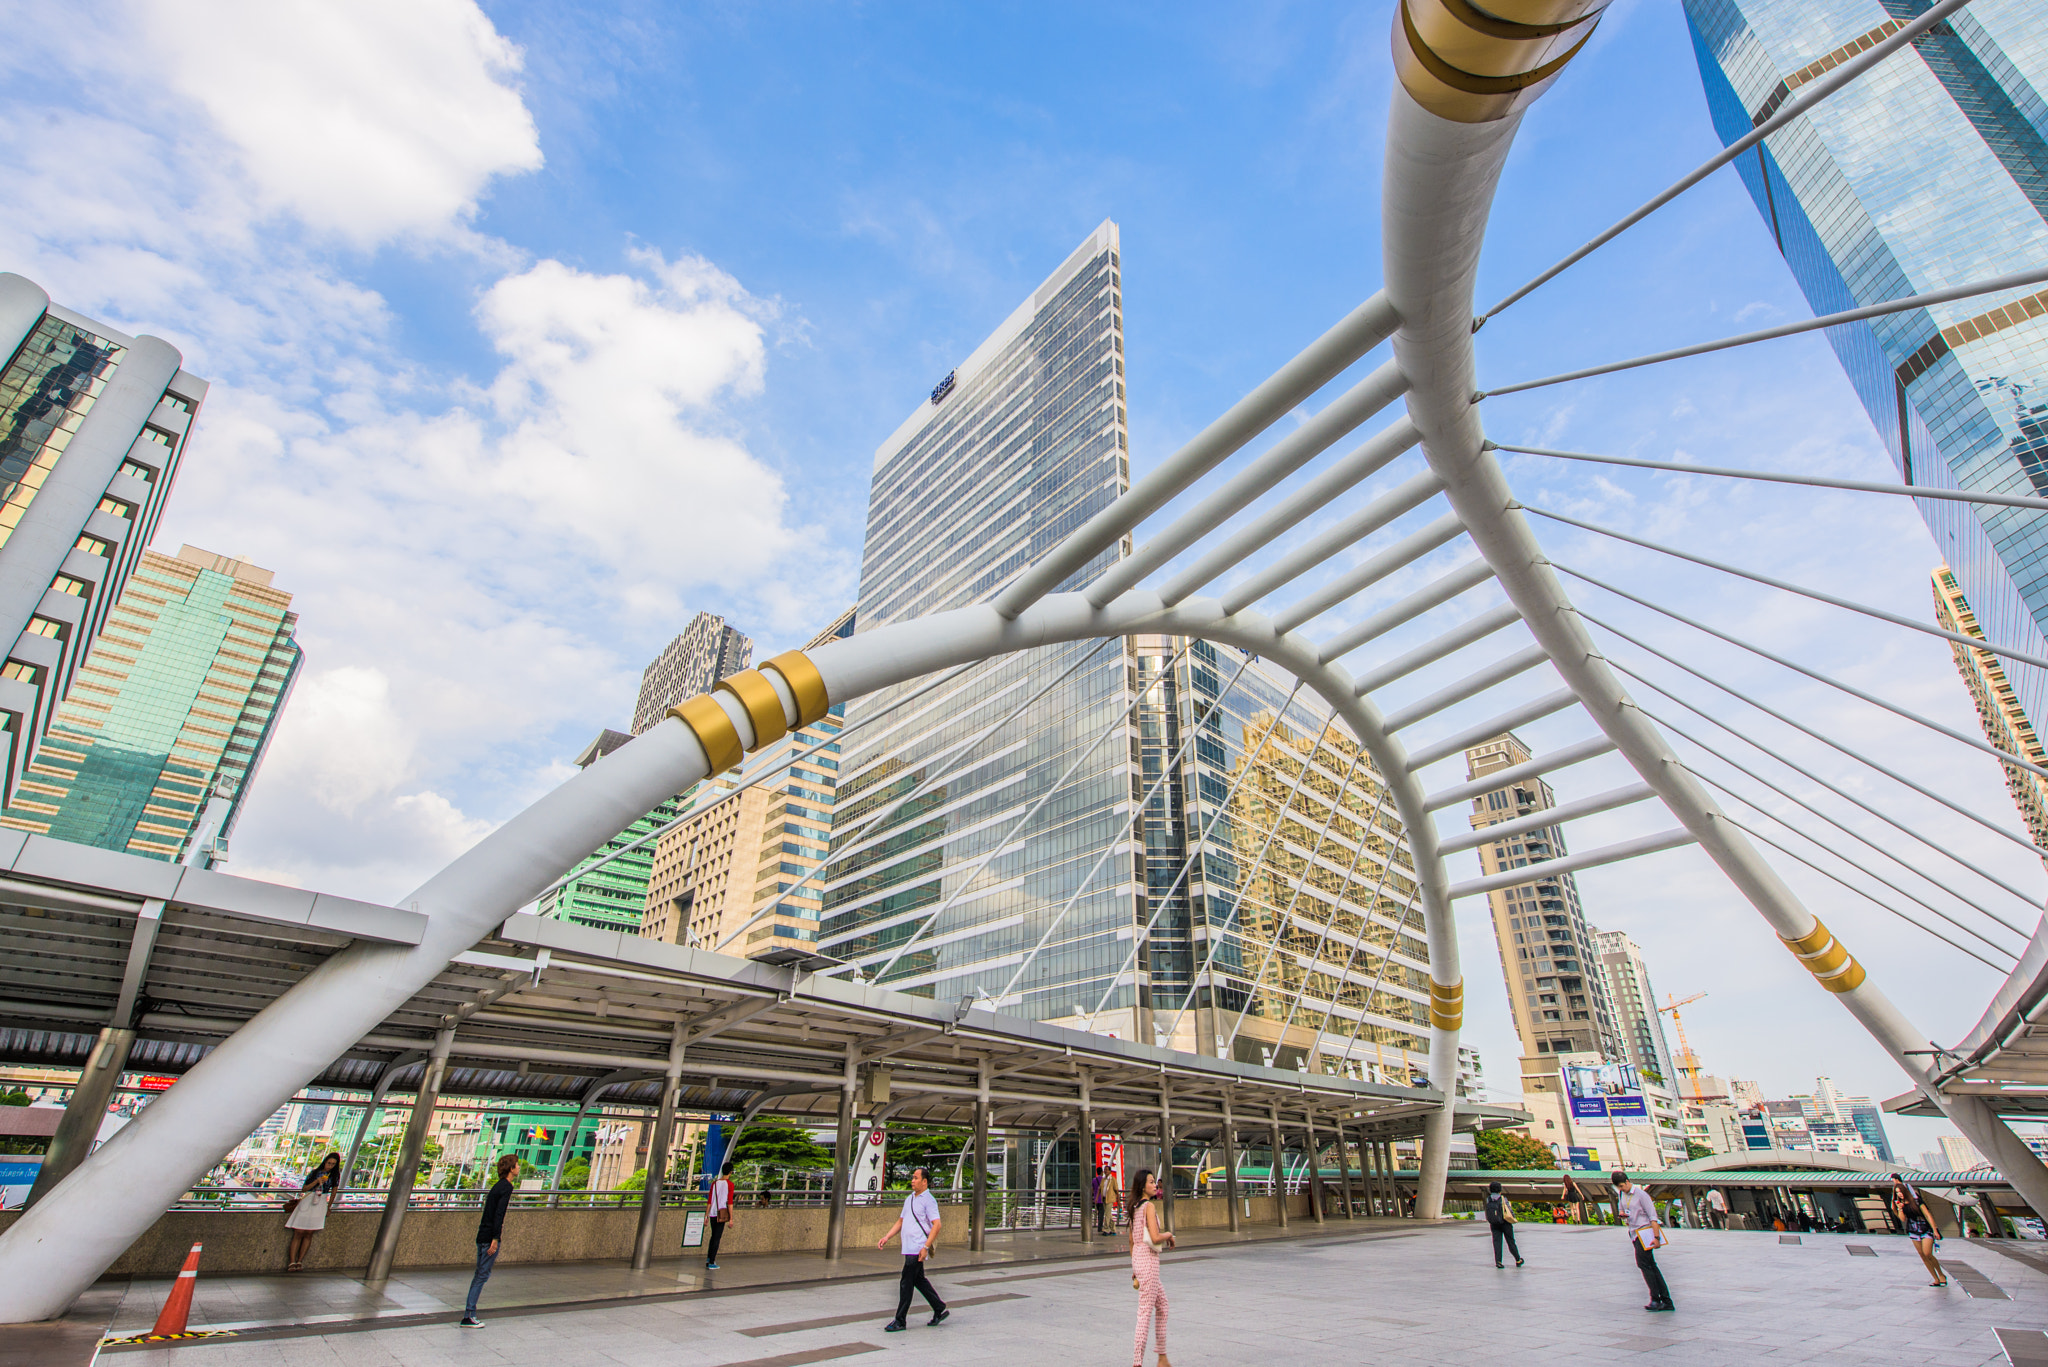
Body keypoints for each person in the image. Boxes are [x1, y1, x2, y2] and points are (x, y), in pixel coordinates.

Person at [878, 1166, 948, 1332]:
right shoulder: (909, 1198)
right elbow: (901, 1221)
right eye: (913, 1177)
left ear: (924, 1181)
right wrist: (886, 1237)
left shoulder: (928, 1200)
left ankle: (900, 1320)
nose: (912, 1180)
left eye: (916, 1178)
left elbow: (937, 1225)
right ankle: (939, 1307)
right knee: (918, 1280)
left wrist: (925, 1247)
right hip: (908, 1247)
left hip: (917, 1248)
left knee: (906, 1283)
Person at [461, 1154, 518, 1329]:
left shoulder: (497, 1186)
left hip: (482, 1235)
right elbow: (499, 1214)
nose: (518, 1167)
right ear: (510, 1168)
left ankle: (469, 1314)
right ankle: (469, 1315)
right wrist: (495, 1238)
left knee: (479, 1275)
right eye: (516, 1165)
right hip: (489, 1238)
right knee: (482, 1275)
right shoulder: (506, 1187)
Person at [1129, 1169, 1174, 1367]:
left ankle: (1162, 1357)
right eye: (1150, 1181)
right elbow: (1155, 1238)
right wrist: (1169, 1234)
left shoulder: (1133, 1207)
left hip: (1139, 1261)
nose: (1155, 1184)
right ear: (1142, 1186)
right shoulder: (1148, 1207)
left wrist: (1134, 1268)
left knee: (1162, 1305)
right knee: (1145, 1313)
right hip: (1149, 1261)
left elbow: (1131, 1240)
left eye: (1154, 1181)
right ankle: (1137, 1362)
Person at [1615, 1173, 1673, 1312]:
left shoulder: (1641, 1195)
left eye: (1622, 1186)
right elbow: (1622, 1208)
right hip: (1634, 1233)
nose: (1622, 1189)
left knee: (1644, 1264)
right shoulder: (1622, 1195)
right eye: (1619, 1188)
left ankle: (1656, 1299)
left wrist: (1657, 1238)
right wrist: (1623, 1214)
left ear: (1628, 1181)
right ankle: (1665, 1300)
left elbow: (1653, 1217)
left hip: (1645, 1233)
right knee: (1650, 1265)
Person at [284, 1152, 341, 1271]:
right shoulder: (314, 1173)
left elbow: (334, 1192)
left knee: (309, 1233)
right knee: (298, 1231)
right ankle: (292, 1261)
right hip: (308, 1200)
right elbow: (304, 1188)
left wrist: (329, 1207)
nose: (329, 1166)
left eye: (333, 1164)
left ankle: (300, 1261)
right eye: (328, 1163)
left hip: (320, 1202)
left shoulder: (334, 1176)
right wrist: (317, 1181)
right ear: (324, 1162)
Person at [1890, 1175, 1947, 1288]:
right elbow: (1902, 1219)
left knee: (1927, 1253)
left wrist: (1935, 1230)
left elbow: (1927, 1214)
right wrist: (1899, 1208)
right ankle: (1935, 1278)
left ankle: (1941, 1275)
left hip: (1925, 1228)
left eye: (1900, 1191)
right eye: (1897, 1192)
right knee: (1922, 1255)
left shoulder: (1916, 1200)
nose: (1899, 1194)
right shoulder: (1902, 1204)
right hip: (1913, 1230)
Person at [705, 1160, 736, 1271]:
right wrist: (731, 1218)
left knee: (713, 1236)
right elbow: (730, 1203)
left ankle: (709, 1258)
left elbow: (709, 1201)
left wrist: (706, 1216)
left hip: (713, 1213)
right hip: (721, 1214)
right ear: (730, 1172)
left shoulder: (714, 1183)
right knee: (717, 1237)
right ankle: (712, 1261)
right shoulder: (730, 1185)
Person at [1484, 1181, 1523, 1269]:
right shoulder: (1502, 1198)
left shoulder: (1488, 1199)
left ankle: (1498, 1262)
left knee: (1497, 1242)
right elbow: (1508, 1209)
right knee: (1510, 1242)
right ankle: (1518, 1259)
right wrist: (1513, 1218)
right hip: (1505, 1222)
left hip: (1494, 1223)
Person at [1092, 1163, 1107, 1235]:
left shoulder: (1094, 1180)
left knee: (1099, 1213)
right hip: (1102, 1199)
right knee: (1102, 1213)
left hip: (1096, 1199)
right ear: (1102, 1172)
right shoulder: (1103, 1180)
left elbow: (1092, 1189)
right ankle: (1100, 1227)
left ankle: (1099, 1226)